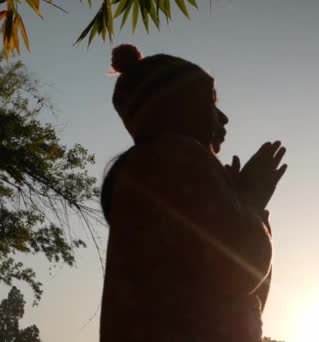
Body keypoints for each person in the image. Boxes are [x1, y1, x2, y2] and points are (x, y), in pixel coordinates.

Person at [99, 44, 287, 342]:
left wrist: (240, 202)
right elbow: (242, 268)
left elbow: (244, 296)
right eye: (210, 102)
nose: (223, 118)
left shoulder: (144, 177)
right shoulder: (179, 155)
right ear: (179, 107)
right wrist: (250, 201)